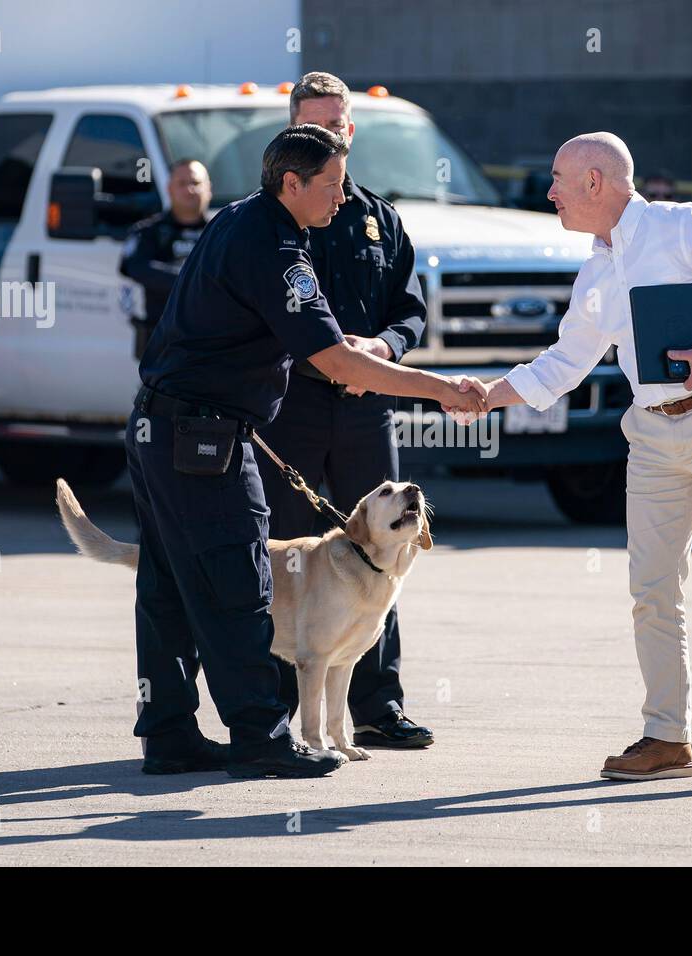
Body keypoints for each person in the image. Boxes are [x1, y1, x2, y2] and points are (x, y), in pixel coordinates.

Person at [458, 133, 692, 785]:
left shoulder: (680, 227)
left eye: (557, 181)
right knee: (652, 590)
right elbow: (565, 363)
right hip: (655, 435)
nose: (549, 194)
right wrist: (488, 396)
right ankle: (667, 739)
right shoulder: (597, 270)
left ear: (596, 182)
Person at [127, 125, 482, 780]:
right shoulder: (276, 246)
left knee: (169, 586)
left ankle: (169, 732)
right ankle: (262, 735)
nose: (343, 196)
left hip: (162, 428)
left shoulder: (238, 220)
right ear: (291, 184)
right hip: (203, 440)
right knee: (240, 579)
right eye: (330, 184)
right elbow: (338, 359)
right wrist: (443, 390)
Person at [255, 72, 434, 750]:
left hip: (366, 407)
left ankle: (376, 707)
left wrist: (381, 345)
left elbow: (410, 311)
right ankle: (274, 713)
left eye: (338, 124)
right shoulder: (272, 218)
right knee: (284, 559)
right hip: (290, 406)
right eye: (315, 124)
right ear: (292, 131)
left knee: (382, 554)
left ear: (351, 131)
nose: (329, 134)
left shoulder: (380, 219)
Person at [120, 159, 212, 360]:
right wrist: (191, 280)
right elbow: (135, 267)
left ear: (209, 189)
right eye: (181, 183)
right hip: (162, 344)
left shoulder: (222, 231)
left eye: (195, 183)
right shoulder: (148, 232)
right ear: (169, 189)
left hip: (211, 345)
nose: (189, 190)